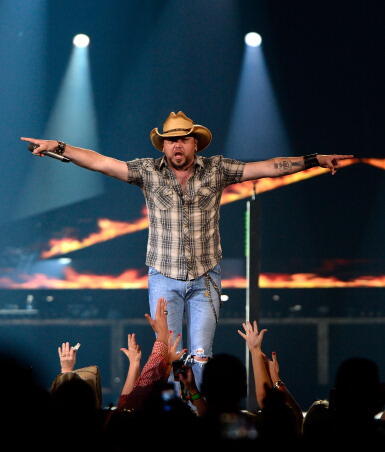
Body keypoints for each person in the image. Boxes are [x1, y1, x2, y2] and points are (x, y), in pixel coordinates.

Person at [21, 111, 353, 387]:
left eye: (182, 139)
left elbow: (268, 167)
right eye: (170, 140)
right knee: (166, 351)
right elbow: (100, 163)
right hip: (164, 276)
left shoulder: (217, 170)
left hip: (205, 276)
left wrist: (315, 160)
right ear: (163, 146)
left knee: (202, 352)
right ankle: (168, 414)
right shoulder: (147, 171)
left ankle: (198, 414)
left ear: (195, 143)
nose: (176, 145)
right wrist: (60, 147)